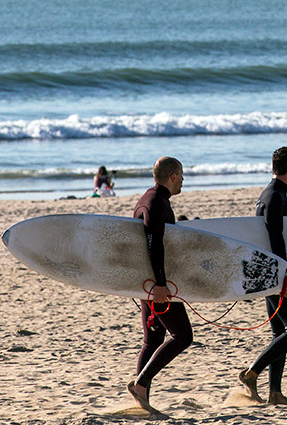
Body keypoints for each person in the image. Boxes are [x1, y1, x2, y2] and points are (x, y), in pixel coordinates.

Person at [239, 147, 287, 405]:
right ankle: (251, 373)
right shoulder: (276, 196)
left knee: (280, 331)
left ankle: (275, 393)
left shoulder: (269, 194)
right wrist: (285, 276)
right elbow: (275, 238)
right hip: (277, 275)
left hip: (268, 273)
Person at [127, 157, 192, 412]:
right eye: (181, 175)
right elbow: (154, 244)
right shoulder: (156, 202)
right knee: (183, 336)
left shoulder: (149, 197)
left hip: (146, 282)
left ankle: (141, 397)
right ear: (173, 176)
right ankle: (141, 384)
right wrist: (161, 284)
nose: (183, 180)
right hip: (156, 284)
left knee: (152, 341)